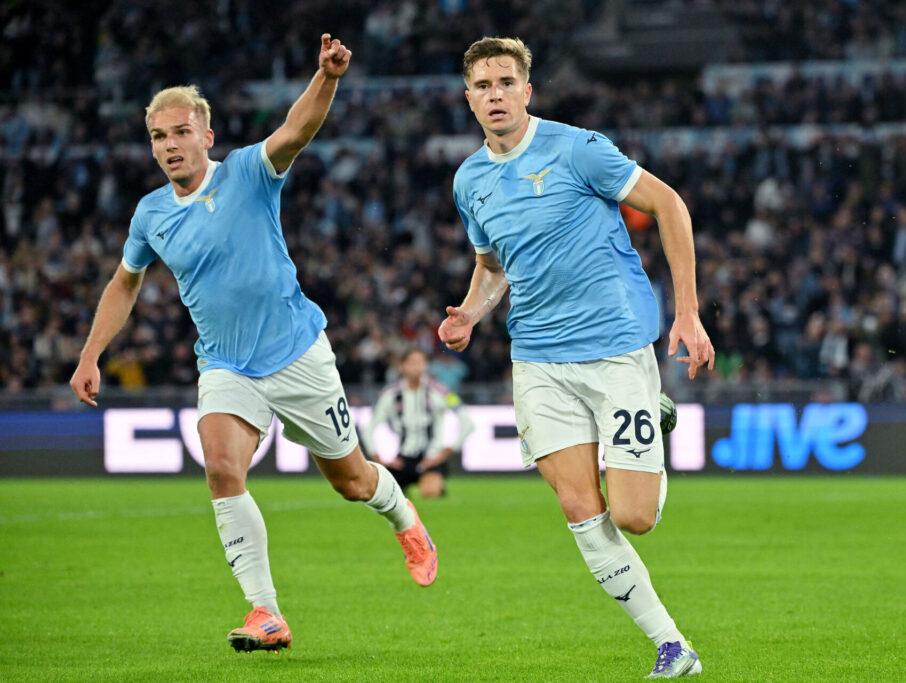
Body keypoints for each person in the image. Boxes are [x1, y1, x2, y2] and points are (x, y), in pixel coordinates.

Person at [68, 34, 438, 654]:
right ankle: (266, 612)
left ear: (206, 136)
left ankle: (405, 519)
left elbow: (296, 130)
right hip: (225, 364)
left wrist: (328, 77)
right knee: (220, 467)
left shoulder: (246, 170)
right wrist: (89, 354)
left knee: (350, 480)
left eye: (180, 132)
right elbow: (124, 283)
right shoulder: (151, 214)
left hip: (298, 353)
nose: (169, 146)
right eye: (158, 137)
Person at [438, 37, 715, 678]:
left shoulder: (578, 149)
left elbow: (669, 204)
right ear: (469, 98)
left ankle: (654, 408)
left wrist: (688, 311)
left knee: (634, 517)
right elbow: (491, 267)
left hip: (615, 348)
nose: (495, 95)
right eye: (483, 86)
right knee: (578, 507)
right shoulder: (469, 180)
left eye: (506, 82)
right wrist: (470, 313)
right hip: (537, 361)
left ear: (527, 90)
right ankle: (672, 645)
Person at [362, 348, 475, 497]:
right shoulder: (390, 395)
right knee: (376, 493)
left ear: (426, 366)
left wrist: (445, 453)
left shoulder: (441, 391)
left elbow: (467, 422)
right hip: (403, 459)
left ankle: (430, 484)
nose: (416, 367)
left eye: (421, 362)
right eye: (411, 363)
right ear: (401, 366)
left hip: (431, 460)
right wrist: (379, 459)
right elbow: (368, 428)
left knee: (430, 493)